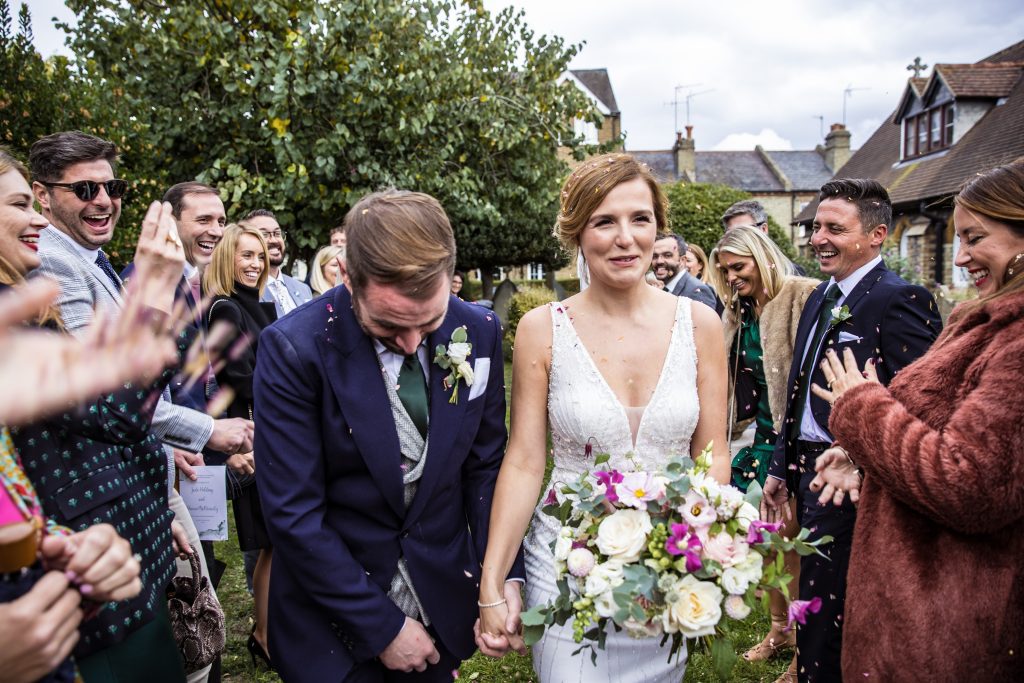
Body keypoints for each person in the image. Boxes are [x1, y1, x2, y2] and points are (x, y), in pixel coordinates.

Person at [477, 153, 729, 682]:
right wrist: (492, 582)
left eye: (640, 219)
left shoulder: (701, 324)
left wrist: (701, 545)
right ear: (577, 234)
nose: (626, 238)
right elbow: (524, 461)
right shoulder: (542, 329)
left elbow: (712, 454)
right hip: (566, 564)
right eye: (604, 221)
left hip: (666, 568)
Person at [253, 188, 519, 682]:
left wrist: (503, 572)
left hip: (442, 604)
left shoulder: (478, 330)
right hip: (332, 630)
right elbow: (293, 514)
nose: (413, 342)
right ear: (348, 278)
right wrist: (383, 628)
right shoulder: (294, 349)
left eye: (430, 322)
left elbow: (485, 467)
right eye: (389, 326)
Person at [808, 159, 1024, 681]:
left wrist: (860, 405)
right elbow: (938, 432)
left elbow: (972, 484)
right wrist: (862, 457)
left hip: (952, 617)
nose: (961, 256)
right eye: (958, 237)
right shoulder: (979, 321)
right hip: (912, 600)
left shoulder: (1016, 342)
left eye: (975, 238)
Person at [10, 141, 198, 681]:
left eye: (112, 188)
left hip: (110, 532)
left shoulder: (82, 266)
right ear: (48, 199)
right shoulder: (41, 276)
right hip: (87, 540)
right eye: (85, 189)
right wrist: (155, 298)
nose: (105, 201)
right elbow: (111, 409)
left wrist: (160, 502)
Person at [761, 179, 941, 682]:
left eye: (834, 228)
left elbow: (922, 400)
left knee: (835, 608)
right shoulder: (821, 296)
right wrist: (781, 467)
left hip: (855, 484)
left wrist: (859, 456)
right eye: (816, 226)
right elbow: (798, 392)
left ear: (878, 234)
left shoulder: (899, 299)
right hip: (805, 469)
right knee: (812, 598)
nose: (818, 237)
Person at [709, 225, 819, 682]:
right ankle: (779, 631)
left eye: (739, 267)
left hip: (798, 438)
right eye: (725, 271)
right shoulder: (740, 312)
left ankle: (803, 649)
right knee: (767, 538)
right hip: (761, 438)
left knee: (792, 541)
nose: (732, 277)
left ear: (762, 257)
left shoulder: (801, 296)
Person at [203, 223, 277, 668]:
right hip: (252, 437)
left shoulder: (256, 305)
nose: (254, 263)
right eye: (244, 255)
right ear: (226, 258)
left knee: (276, 542)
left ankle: (269, 631)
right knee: (272, 542)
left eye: (259, 256)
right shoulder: (227, 309)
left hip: (269, 432)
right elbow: (242, 380)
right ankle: (265, 636)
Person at [240, 209, 312, 317]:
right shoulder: (245, 292)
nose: (273, 240)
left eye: (277, 233)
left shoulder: (303, 289)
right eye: (264, 234)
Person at [721, 200, 805, 276]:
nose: (738, 237)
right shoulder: (725, 276)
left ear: (764, 229)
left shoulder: (791, 273)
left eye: (745, 230)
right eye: (732, 233)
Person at [651, 231, 717, 310]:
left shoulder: (698, 291)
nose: (659, 261)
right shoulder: (662, 289)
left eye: (667, 255)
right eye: (654, 256)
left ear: (682, 260)